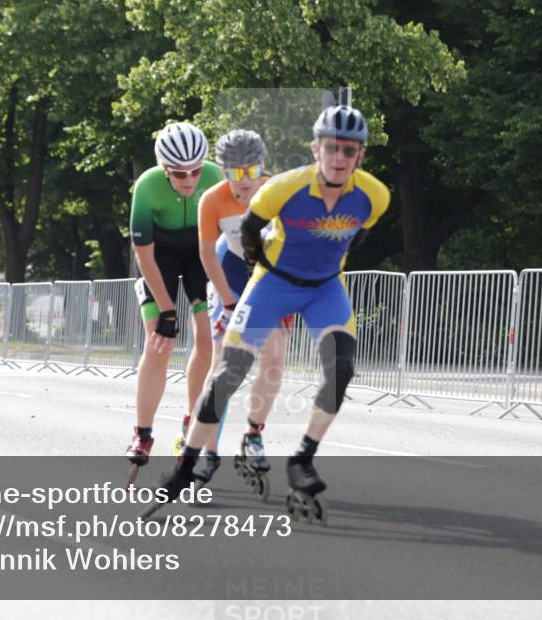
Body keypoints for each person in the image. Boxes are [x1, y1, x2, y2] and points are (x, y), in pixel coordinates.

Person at [154, 105, 390, 516]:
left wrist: (322, 266)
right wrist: (254, 279)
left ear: (361, 155)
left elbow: (358, 238)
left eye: (349, 151)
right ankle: (185, 466)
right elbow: (247, 233)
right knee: (229, 374)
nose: (339, 158)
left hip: (324, 289)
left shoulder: (375, 196)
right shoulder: (282, 188)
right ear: (316, 149)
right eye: (332, 148)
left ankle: (301, 459)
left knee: (342, 368)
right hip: (273, 284)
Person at [192, 129, 289, 486]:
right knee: (223, 365)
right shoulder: (213, 200)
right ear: (223, 171)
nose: (244, 181)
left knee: (275, 359)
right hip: (230, 272)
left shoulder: (278, 193)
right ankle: (207, 449)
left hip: (269, 275)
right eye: (234, 172)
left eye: (252, 171)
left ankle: (253, 434)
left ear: (263, 168)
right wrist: (228, 302)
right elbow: (205, 253)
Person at [125, 122, 222, 474]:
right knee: (158, 343)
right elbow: (144, 255)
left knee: (208, 341)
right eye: (180, 173)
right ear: (165, 169)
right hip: (159, 258)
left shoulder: (216, 177)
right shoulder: (147, 187)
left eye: (196, 170)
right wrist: (166, 311)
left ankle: (191, 423)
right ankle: (143, 432)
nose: (190, 179)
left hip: (199, 253)